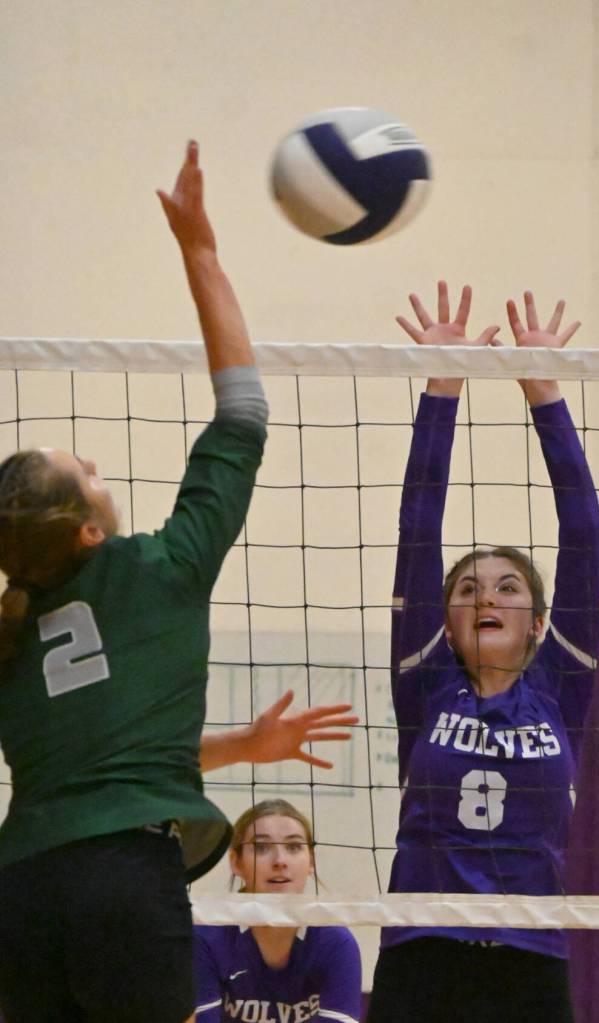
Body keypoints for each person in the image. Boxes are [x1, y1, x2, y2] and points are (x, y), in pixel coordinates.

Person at [0, 141, 355, 1023]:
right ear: (87, 526)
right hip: (124, 885)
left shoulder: (12, 624)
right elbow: (244, 409)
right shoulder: (165, 568)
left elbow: (101, 761)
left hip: (23, 888)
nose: (93, 458)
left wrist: (239, 748)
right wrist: (200, 248)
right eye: (82, 465)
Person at [367, 283, 599, 1023]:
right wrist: (443, 385)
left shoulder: (560, 686)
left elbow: (584, 532)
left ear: (539, 622)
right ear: (445, 617)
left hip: (530, 957)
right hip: (422, 947)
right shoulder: (426, 681)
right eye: (469, 588)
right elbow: (418, 525)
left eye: (507, 588)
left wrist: (544, 392)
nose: (487, 598)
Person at [193, 798, 362, 1023]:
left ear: (311, 861)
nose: (280, 861)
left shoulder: (336, 943)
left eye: (293, 847)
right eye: (261, 847)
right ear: (236, 862)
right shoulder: (206, 937)